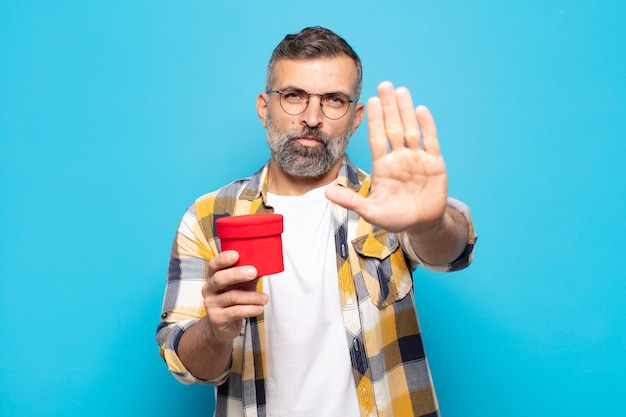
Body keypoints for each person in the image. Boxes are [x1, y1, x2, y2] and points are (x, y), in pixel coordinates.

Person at [156, 26, 477, 417]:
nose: (312, 117)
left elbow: (452, 251)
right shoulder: (207, 217)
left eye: (333, 100)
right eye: (293, 96)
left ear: (356, 117)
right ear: (263, 107)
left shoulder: (388, 202)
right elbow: (186, 365)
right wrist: (215, 331)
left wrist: (429, 224)